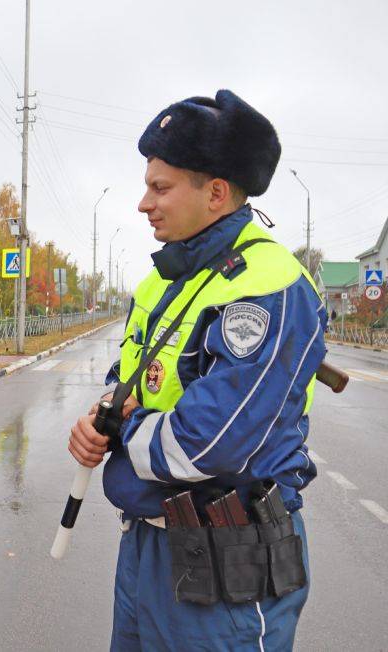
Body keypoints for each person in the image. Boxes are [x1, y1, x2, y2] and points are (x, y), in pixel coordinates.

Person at [68, 90, 325, 650]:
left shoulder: (268, 286)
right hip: (150, 549)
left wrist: (120, 431)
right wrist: (98, 418)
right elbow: (131, 377)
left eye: (160, 187)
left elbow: (204, 445)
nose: (143, 203)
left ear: (215, 193)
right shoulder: (163, 279)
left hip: (227, 566)